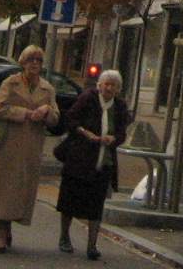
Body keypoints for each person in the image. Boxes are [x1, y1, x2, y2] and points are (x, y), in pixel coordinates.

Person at [0, 45, 59, 253]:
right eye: (30, 60)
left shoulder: (47, 89)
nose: (34, 64)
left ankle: (9, 225)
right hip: (8, 143)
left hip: (31, 146)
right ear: (23, 62)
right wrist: (26, 113)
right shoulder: (10, 82)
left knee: (21, 190)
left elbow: (56, 119)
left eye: (38, 60)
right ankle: (1, 232)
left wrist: (46, 111)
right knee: (4, 189)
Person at [57, 68, 131, 259]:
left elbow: (122, 133)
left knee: (96, 204)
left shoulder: (120, 107)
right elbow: (70, 119)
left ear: (117, 89)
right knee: (69, 201)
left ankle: (92, 245)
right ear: (99, 85)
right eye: (106, 84)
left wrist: (113, 139)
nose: (108, 88)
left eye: (112, 85)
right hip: (79, 159)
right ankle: (64, 236)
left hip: (103, 162)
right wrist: (84, 132)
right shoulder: (88, 98)